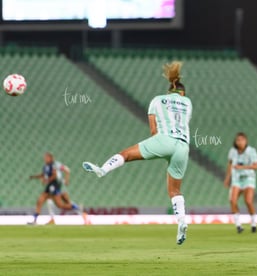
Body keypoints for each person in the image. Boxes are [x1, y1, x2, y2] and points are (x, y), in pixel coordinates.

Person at [82, 61, 192, 245]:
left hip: (163, 139)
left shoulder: (157, 100)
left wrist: (157, 147)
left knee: (126, 154)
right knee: (174, 190)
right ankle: (181, 222)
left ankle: (102, 170)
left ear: (168, 91)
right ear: (183, 93)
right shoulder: (188, 103)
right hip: (183, 146)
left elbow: (153, 131)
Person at [29, 152, 82, 224]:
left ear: (50, 158)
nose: (45, 159)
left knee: (60, 204)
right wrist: (34, 177)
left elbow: (60, 173)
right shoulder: (45, 166)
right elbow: (43, 174)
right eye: (44, 158)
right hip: (50, 186)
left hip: (56, 185)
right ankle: (35, 220)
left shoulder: (56, 165)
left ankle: (76, 208)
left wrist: (66, 180)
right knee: (40, 201)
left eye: (46, 157)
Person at [224, 132, 257, 233]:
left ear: (246, 141)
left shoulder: (251, 151)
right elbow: (230, 165)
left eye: (242, 140)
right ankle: (238, 224)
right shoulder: (233, 151)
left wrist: (242, 167)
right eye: (238, 140)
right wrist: (227, 178)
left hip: (248, 178)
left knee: (248, 201)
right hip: (236, 179)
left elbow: (256, 166)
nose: (240, 142)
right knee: (232, 200)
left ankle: (253, 223)